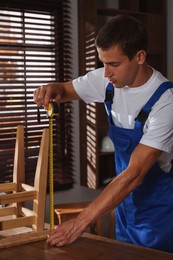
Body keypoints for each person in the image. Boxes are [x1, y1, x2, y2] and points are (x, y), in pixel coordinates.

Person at [33, 15, 173, 253]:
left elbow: (135, 174)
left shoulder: (165, 102)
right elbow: (65, 90)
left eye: (114, 64)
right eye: (103, 63)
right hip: (124, 206)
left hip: (158, 213)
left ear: (139, 57)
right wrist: (51, 89)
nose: (106, 73)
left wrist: (80, 222)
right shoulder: (107, 80)